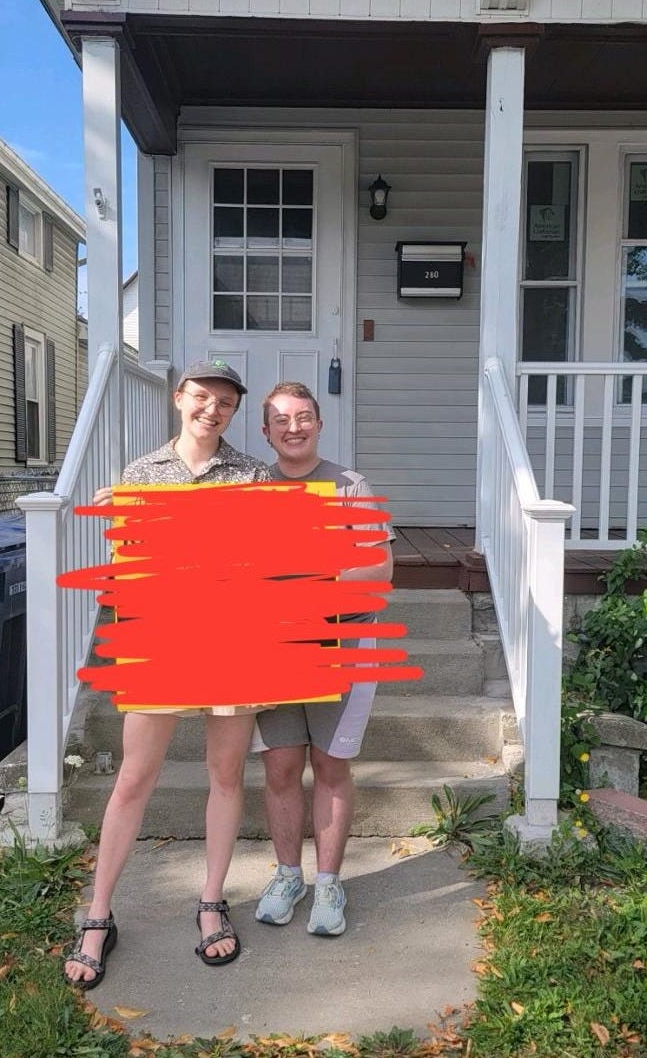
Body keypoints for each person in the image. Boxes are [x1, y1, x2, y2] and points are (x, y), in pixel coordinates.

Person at [64, 359, 272, 987]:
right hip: (159, 641)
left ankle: (212, 902)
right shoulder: (140, 474)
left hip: (233, 641)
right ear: (180, 398)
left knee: (225, 774)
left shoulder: (254, 475)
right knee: (134, 777)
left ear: (235, 411)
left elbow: (260, 560)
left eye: (227, 403)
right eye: (203, 397)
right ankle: (98, 914)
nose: (214, 409)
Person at [253, 382, 394, 936]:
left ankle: (329, 886)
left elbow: (379, 570)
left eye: (304, 417)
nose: (294, 427)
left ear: (319, 424)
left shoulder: (349, 485)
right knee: (281, 768)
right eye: (282, 419)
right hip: (273, 651)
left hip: (345, 645)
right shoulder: (252, 488)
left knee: (331, 767)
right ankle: (289, 876)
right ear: (265, 431)